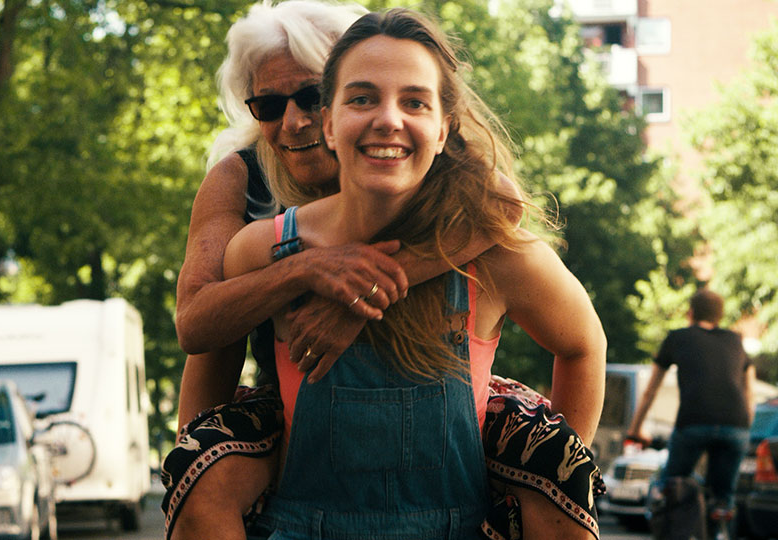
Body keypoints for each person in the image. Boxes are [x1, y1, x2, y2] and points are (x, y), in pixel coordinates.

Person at [219, 8, 606, 539]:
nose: (388, 119)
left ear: (445, 127)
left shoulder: (495, 255)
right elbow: (204, 360)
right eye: (361, 98)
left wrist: (552, 478)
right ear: (329, 122)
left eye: (415, 102)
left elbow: (584, 344)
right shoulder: (262, 251)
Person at [627, 288, 756, 514]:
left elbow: (650, 391)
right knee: (723, 496)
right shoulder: (736, 340)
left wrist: (635, 430)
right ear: (720, 316)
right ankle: (721, 518)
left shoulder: (677, 337)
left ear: (691, 313)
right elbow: (750, 392)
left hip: (693, 422)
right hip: (736, 426)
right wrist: (744, 428)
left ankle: (672, 515)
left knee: (671, 487)